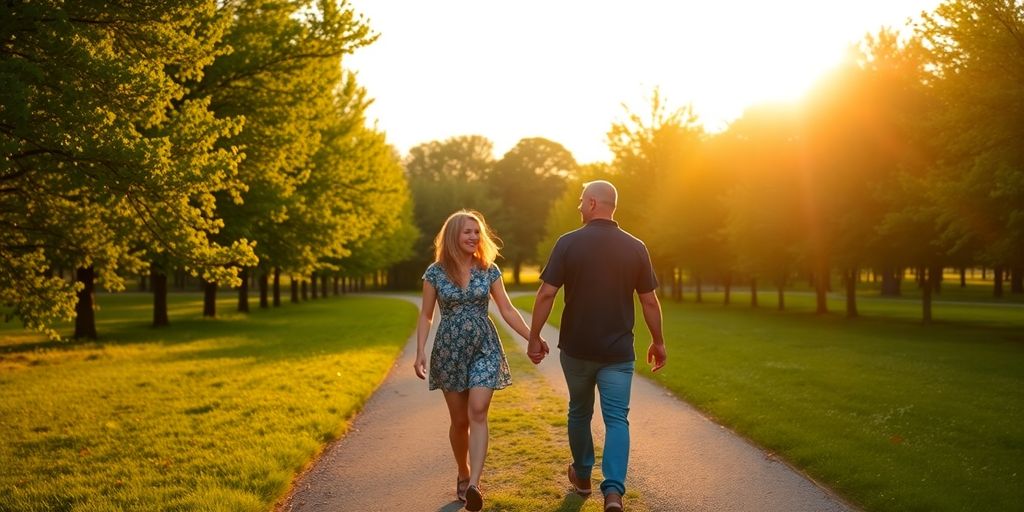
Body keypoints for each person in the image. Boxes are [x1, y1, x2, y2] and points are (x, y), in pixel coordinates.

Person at [528, 180, 667, 512]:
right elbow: (649, 302)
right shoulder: (635, 246)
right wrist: (658, 342)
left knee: (579, 411)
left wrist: (533, 337)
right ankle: (614, 493)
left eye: (580, 201)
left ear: (592, 203)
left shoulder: (568, 243)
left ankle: (583, 476)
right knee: (617, 418)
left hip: (576, 350)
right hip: (618, 352)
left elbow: (547, 293)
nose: (577, 206)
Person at [414, 209, 538, 512]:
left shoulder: (489, 269)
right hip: (450, 350)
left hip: (485, 346)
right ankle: (463, 471)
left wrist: (532, 337)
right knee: (459, 421)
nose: (473, 237)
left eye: (476, 232)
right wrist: (420, 351)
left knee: (478, 411)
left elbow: (507, 309)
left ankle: (474, 486)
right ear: (454, 235)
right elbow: (426, 315)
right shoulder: (435, 272)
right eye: (467, 231)